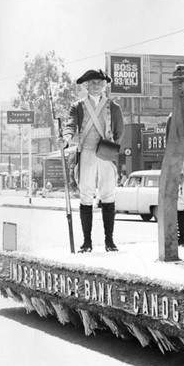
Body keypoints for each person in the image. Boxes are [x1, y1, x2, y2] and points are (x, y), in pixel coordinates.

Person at [62, 69, 125, 253]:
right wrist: (66, 137)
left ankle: (109, 241)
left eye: (100, 82)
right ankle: (87, 242)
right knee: (86, 197)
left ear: (104, 84)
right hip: (87, 153)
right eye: (93, 82)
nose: (96, 85)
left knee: (108, 196)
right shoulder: (77, 107)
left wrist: (110, 147)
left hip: (106, 154)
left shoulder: (113, 107)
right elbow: (71, 124)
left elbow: (120, 131)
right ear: (86, 85)